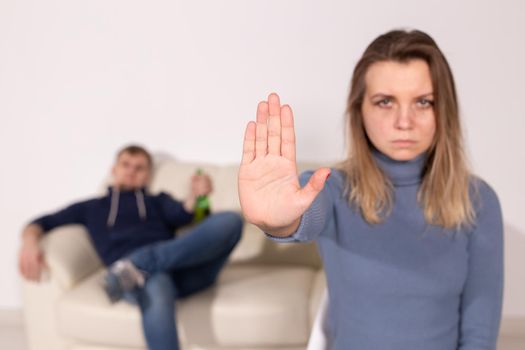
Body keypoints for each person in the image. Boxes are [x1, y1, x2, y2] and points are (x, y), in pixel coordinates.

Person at [238, 29, 503, 349]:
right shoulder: (332, 188)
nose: (404, 121)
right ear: (359, 109)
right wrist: (279, 221)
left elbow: (479, 332)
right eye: (385, 102)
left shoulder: (479, 201)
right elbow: (305, 212)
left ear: (443, 109)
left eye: (423, 102)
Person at [19, 144, 243, 350]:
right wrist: (29, 244)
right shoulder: (92, 207)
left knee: (231, 220)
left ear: (148, 175)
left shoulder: (157, 201)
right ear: (114, 169)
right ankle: (139, 267)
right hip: (146, 279)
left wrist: (196, 196)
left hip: (184, 272)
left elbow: (185, 212)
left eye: (140, 167)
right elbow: (40, 223)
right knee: (156, 279)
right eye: (126, 165)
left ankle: (137, 264)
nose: (132, 171)